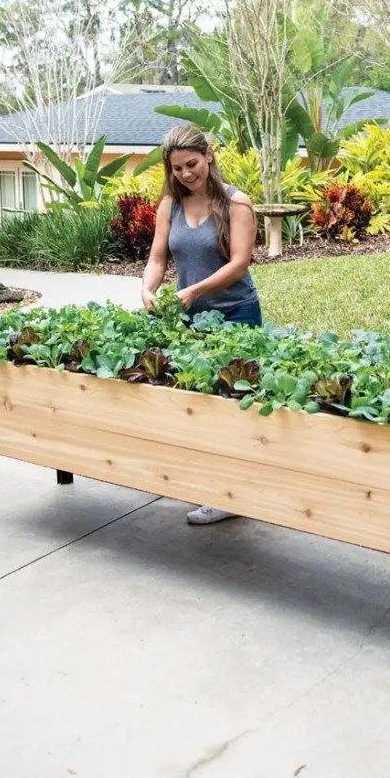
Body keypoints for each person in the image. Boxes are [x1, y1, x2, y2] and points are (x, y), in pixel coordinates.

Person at [141, 123, 262, 525]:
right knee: (195, 404)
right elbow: (159, 258)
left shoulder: (236, 204)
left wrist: (192, 291)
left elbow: (239, 263)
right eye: (177, 169)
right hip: (189, 319)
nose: (186, 174)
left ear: (209, 157)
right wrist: (149, 289)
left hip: (235, 313)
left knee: (230, 407)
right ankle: (213, 487)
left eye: (191, 164)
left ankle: (230, 495)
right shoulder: (169, 206)